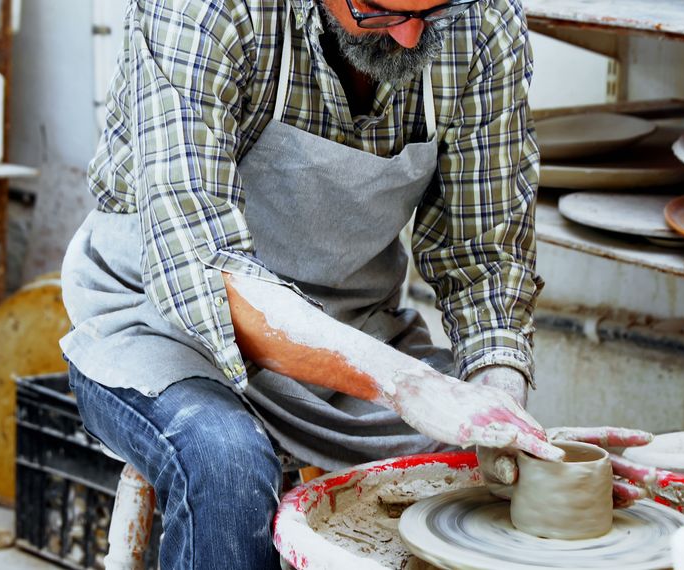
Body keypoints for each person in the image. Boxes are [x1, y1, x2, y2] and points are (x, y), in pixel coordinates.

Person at [59, 0, 647, 567]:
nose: (412, 36)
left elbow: (483, 253)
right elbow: (197, 268)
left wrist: (499, 403)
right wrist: (410, 387)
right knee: (226, 461)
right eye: (381, 10)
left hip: (359, 335)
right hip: (161, 325)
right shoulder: (207, 8)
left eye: (431, 12)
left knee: (493, 469)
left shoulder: (481, 15)